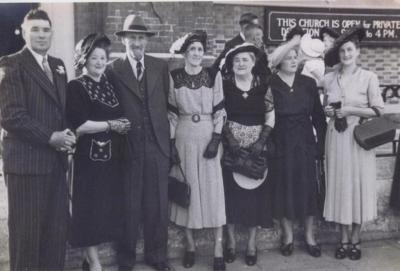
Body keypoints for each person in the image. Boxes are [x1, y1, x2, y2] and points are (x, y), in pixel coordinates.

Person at [0, 8, 76, 270]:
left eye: (46, 30)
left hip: (55, 166)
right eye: (35, 30)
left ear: (52, 33)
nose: (41, 35)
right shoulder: (10, 64)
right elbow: (11, 116)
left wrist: (67, 134)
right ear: (23, 32)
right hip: (26, 167)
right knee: (27, 240)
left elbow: (60, 110)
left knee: (55, 238)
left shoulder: (58, 65)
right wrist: (51, 137)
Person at [107, 14, 171, 271]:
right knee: (128, 206)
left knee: (157, 207)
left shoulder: (159, 67)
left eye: (141, 38)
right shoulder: (113, 69)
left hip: (157, 145)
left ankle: (158, 258)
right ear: (124, 41)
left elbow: (164, 103)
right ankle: (126, 261)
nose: (137, 42)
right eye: (132, 37)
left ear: (147, 41)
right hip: (128, 146)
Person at [66, 33, 131, 271]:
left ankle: (88, 258)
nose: (100, 62)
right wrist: (112, 125)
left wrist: (122, 123)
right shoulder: (76, 86)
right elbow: (80, 124)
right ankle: (94, 262)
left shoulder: (108, 85)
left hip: (111, 160)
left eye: (103, 57)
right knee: (88, 209)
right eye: (94, 57)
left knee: (104, 208)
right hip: (88, 161)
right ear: (84, 59)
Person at [323, 25, 384, 260]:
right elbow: (327, 107)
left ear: (357, 51)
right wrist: (329, 110)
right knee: (340, 187)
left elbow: (378, 110)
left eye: (350, 50)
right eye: (342, 52)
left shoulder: (369, 77)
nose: (346, 55)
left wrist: (350, 109)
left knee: (357, 187)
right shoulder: (330, 79)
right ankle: (343, 239)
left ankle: (356, 239)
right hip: (336, 138)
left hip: (359, 139)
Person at [168, 30, 227, 271]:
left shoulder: (213, 75)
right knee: (187, 191)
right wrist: (171, 143)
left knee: (213, 192)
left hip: (207, 134)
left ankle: (218, 249)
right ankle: (190, 246)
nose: (196, 54)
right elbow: (171, 113)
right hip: (183, 135)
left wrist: (216, 138)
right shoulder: (174, 76)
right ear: (184, 53)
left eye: (200, 50)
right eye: (192, 49)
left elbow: (220, 109)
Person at [268, 38, 327, 258]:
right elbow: (266, 115)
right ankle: (288, 236)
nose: (294, 61)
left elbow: (319, 118)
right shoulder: (270, 82)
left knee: (308, 190)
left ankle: (310, 236)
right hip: (281, 143)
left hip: (304, 143)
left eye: (296, 57)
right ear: (280, 62)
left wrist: (320, 146)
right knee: (284, 190)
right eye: (288, 58)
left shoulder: (308, 83)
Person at [221, 43, 275, 266]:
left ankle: (252, 244)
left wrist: (261, 141)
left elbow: (271, 116)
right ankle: (231, 242)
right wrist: (230, 140)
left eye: (245, 59)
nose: (241, 63)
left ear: (253, 63)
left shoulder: (264, 86)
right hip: (230, 149)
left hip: (256, 149)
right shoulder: (223, 86)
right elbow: (218, 114)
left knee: (255, 198)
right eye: (236, 60)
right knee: (230, 197)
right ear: (231, 65)